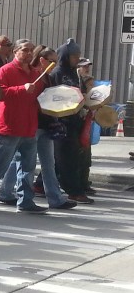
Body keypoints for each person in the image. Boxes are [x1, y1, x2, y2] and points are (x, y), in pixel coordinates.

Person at [0, 39, 49, 213]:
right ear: (15, 52)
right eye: (25, 50)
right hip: (9, 126)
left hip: (28, 126)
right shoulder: (5, 71)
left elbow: (38, 97)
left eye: (31, 50)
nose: (29, 53)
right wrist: (22, 89)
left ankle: (25, 201)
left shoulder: (35, 73)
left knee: (27, 168)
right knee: (0, 164)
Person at [0, 45, 77, 210]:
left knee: (47, 163)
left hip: (45, 125)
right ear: (42, 60)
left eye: (56, 61)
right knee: (22, 162)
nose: (54, 64)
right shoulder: (34, 75)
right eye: (51, 61)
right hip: (33, 125)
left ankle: (55, 198)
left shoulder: (47, 77)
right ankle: (6, 193)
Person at [53, 40, 95, 203]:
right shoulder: (57, 73)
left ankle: (42, 184)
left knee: (68, 157)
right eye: (74, 56)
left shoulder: (72, 73)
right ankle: (73, 190)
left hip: (74, 119)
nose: (77, 59)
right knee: (65, 158)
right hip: (61, 120)